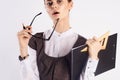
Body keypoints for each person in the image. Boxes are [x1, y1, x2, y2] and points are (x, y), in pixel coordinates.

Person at [17, 0, 102, 80]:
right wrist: (23, 48)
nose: (54, 6)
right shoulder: (36, 41)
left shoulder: (84, 44)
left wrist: (93, 58)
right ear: (46, 8)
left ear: (70, 4)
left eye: (59, 1)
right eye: (49, 3)